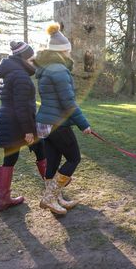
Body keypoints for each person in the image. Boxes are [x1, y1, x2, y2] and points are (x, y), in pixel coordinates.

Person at [35, 23, 92, 215]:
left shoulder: (47, 69)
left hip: (44, 122)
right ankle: (50, 197)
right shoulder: (59, 70)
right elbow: (68, 102)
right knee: (73, 158)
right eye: (68, 51)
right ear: (63, 51)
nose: (70, 54)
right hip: (57, 123)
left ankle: (55, 198)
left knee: (53, 162)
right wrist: (83, 124)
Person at [0, 41, 46, 212]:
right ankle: (53, 190)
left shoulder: (9, 73)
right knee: (40, 150)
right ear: (23, 58)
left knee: (11, 157)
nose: (34, 62)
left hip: (7, 121)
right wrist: (28, 130)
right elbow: (21, 106)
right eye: (31, 59)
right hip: (18, 123)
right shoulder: (21, 76)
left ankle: (4, 199)